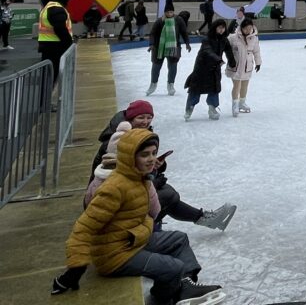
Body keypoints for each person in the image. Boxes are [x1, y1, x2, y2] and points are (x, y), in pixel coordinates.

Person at [51, 127, 226, 304]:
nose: (151, 159)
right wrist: (74, 271)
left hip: (131, 240)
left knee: (179, 239)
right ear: (130, 157)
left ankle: (184, 286)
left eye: (154, 153)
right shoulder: (114, 188)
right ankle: (161, 299)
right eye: (144, 155)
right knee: (173, 268)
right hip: (114, 255)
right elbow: (83, 228)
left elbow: (152, 212)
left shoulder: (138, 178)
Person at [89, 99, 236, 233]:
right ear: (130, 119)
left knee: (166, 192)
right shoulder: (116, 142)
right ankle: (148, 230)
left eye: (149, 117)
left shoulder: (139, 133)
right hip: (109, 196)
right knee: (166, 196)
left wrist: (157, 165)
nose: (145, 121)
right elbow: (118, 176)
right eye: (140, 117)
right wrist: (150, 180)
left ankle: (201, 219)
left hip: (127, 188)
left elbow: (135, 166)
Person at [183, 19, 234, 120]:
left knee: (214, 88)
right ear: (215, 28)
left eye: (223, 28)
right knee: (195, 88)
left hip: (215, 68)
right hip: (202, 67)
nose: (222, 30)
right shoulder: (207, 39)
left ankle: (212, 108)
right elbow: (207, 51)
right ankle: (189, 108)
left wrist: (232, 62)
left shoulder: (224, 39)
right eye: (219, 28)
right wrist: (218, 59)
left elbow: (228, 50)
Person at [147, 0, 191, 97]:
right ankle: (153, 84)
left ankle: (170, 84)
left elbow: (184, 32)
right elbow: (153, 33)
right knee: (156, 67)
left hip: (174, 46)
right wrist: (151, 44)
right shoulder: (160, 21)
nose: (169, 14)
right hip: (159, 47)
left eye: (171, 12)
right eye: (167, 12)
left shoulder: (178, 20)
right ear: (165, 12)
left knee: (172, 66)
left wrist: (187, 43)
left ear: (173, 12)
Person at [38, 0, 76, 88]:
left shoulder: (48, 7)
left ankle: (45, 101)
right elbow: (60, 29)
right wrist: (69, 44)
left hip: (48, 47)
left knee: (47, 79)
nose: (69, 1)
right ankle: (45, 103)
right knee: (50, 79)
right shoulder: (56, 9)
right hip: (56, 49)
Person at [226, 18, 261, 116]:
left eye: (250, 28)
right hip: (235, 65)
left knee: (245, 85)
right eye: (246, 28)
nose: (248, 30)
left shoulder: (254, 38)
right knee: (237, 85)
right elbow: (225, 47)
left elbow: (256, 51)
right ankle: (235, 105)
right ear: (242, 28)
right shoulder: (233, 37)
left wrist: (258, 62)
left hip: (247, 65)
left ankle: (242, 103)